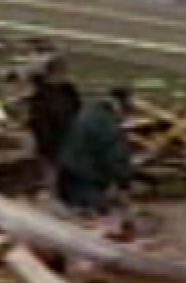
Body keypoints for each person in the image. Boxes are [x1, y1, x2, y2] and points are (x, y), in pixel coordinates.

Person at [55, 87, 134, 215]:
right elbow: (115, 156)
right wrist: (124, 182)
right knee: (95, 214)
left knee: (74, 212)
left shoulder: (89, 111)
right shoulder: (108, 124)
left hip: (69, 168)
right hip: (89, 175)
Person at [25, 56, 81, 191]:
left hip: (68, 143)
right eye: (62, 72)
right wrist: (48, 148)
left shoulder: (67, 92)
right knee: (51, 179)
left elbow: (77, 111)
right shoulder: (42, 97)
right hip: (53, 147)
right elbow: (40, 125)